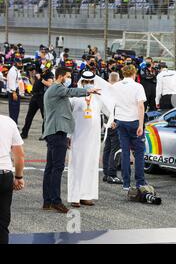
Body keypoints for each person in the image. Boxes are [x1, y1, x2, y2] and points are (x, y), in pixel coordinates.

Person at [42, 67, 101, 213]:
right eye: (67, 76)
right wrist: (87, 91)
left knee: (50, 168)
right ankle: (56, 201)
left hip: (54, 132)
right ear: (61, 76)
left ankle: (47, 201)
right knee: (57, 168)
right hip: (58, 131)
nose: (69, 79)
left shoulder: (54, 89)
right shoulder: (57, 88)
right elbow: (70, 92)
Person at [67, 71, 114, 208]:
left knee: (91, 166)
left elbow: (110, 111)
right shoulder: (74, 98)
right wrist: (67, 136)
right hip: (77, 136)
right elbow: (67, 117)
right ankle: (75, 197)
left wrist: (109, 122)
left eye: (90, 82)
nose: (88, 85)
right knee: (76, 166)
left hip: (93, 138)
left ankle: (86, 196)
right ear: (81, 82)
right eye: (85, 82)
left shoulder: (98, 97)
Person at [112, 65, 147, 190]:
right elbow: (141, 106)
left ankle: (126, 183)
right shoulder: (138, 86)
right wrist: (141, 125)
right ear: (134, 73)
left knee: (125, 153)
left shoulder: (116, 86)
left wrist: (112, 119)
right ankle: (140, 182)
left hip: (120, 121)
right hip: (134, 121)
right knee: (138, 154)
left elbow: (111, 104)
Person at [0, 115, 25, 244]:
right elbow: (19, 155)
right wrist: (19, 177)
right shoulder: (8, 122)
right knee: (2, 224)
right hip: (4, 174)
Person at [21, 60, 54, 140]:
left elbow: (50, 84)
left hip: (43, 97)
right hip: (35, 96)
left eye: (44, 65)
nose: (42, 66)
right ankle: (24, 133)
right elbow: (33, 83)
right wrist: (32, 75)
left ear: (47, 67)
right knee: (29, 116)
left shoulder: (49, 74)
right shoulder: (39, 72)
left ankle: (44, 134)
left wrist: (41, 79)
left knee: (44, 116)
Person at [102, 72, 123, 184]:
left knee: (108, 149)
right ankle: (112, 174)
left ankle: (106, 173)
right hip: (115, 122)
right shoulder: (119, 91)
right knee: (115, 149)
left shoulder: (105, 91)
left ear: (109, 79)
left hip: (107, 123)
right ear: (119, 80)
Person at [6, 57, 23, 124]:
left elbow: (18, 81)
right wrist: (14, 92)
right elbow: (11, 82)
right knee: (14, 111)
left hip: (16, 92)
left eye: (21, 63)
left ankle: (14, 124)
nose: (21, 64)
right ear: (15, 63)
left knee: (16, 110)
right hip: (13, 92)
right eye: (19, 63)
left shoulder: (16, 70)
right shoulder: (12, 71)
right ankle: (13, 125)